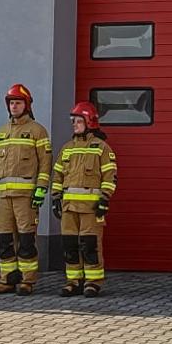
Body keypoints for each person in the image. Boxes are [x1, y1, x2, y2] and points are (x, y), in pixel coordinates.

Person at [0, 84, 50, 296]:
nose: (14, 106)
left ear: (27, 105)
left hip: (26, 197)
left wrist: (41, 189)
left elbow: (45, 164)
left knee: (26, 239)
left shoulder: (37, 131)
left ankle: (27, 280)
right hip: (3, 198)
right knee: (4, 239)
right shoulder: (1, 132)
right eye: (11, 103)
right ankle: (7, 279)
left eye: (18, 102)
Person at [49, 101, 117, 297]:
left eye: (79, 121)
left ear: (90, 122)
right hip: (69, 207)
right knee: (69, 245)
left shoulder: (101, 148)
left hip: (91, 207)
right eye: (74, 121)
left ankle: (93, 281)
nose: (75, 125)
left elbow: (110, 176)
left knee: (90, 245)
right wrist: (55, 198)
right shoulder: (67, 148)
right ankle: (74, 281)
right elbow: (58, 175)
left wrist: (104, 199)